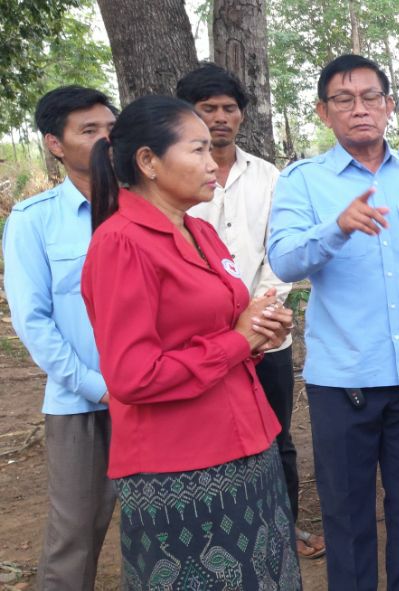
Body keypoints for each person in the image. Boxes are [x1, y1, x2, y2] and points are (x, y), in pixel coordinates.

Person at [267, 54, 399, 591]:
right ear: (323, 112)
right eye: (344, 99)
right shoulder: (303, 182)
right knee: (348, 517)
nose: (359, 109)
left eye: (370, 97)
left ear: (388, 105)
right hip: (344, 380)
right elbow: (284, 260)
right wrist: (335, 227)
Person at [79, 95, 298, 589]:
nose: (212, 162)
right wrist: (238, 343)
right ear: (148, 162)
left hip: (247, 442)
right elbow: (133, 376)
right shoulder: (122, 243)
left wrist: (260, 331)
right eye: (197, 150)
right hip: (180, 468)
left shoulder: (200, 231)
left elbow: (221, 326)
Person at [175, 63, 325, 561]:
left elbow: (279, 254)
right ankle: (221, 535)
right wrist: (224, 324)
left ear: (241, 115)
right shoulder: (172, 180)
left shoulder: (269, 177)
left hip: (267, 334)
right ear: (187, 114)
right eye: (208, 109)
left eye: (229, 108)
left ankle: (284, 528)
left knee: (276, 433)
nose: (220, 118)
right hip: (200, 340)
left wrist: (256, 319)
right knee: (208, 435)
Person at [2, 86, 116, 591]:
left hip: (156, 395)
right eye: (88, 131)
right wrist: (97, 386)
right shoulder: (34, 220)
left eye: (111, 128)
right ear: (55, 144)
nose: (105, 139)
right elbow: (33, 321)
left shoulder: (147, 208)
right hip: (80, 402)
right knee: (76, 533)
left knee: (159, 522)